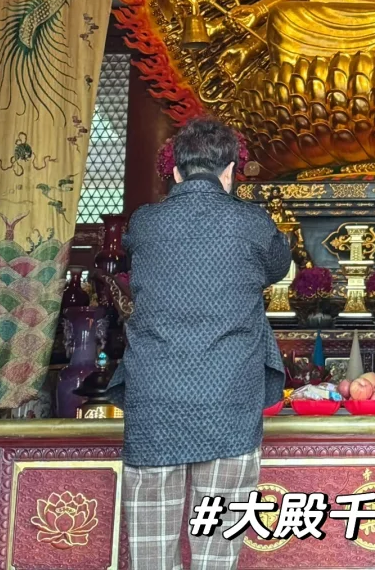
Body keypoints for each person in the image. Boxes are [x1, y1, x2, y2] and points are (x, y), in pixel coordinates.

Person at [109, 117, 292, 570]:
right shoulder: (252, 223)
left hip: (155, 404)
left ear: (175, 172)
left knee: (152, 557)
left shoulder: (145, 224)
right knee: (217, 551)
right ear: (229, 171)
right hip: (228, 399)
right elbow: (277, 265)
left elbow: (137, 257)